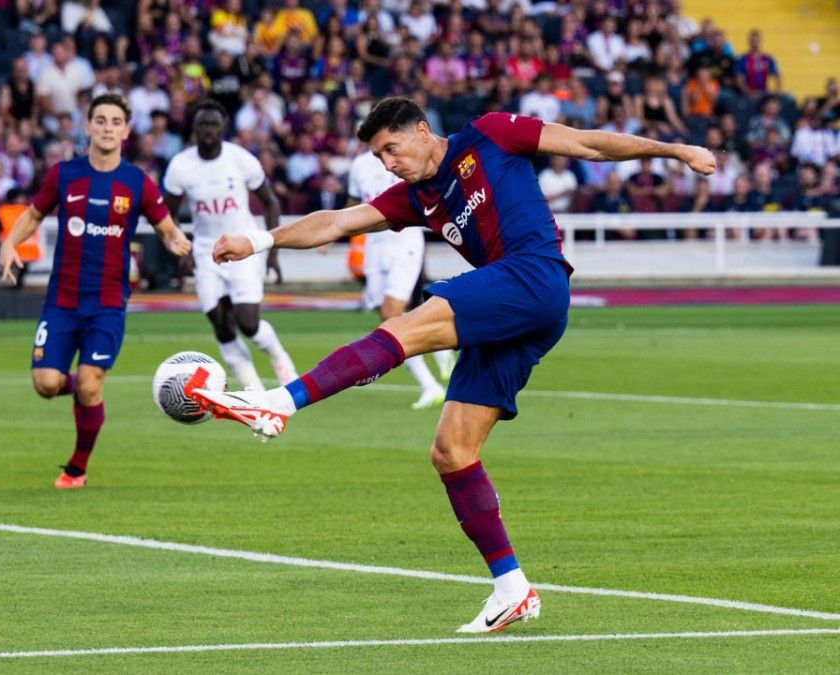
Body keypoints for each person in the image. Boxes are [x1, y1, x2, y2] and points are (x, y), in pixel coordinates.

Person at [186, 97, 715, 633]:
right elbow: (339, 222)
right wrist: (259, 239)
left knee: (406, 326)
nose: (387, 164)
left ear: (421, 130)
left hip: (533, 276)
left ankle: (279, 403)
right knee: (451, 451)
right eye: (378, 157)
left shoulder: (490, 135)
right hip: (513, 311)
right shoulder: (417, 197)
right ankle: (512, 589)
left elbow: (586, 142)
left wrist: (675, 150)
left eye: (391, 149)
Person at [0, 93, 191, 489]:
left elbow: (167, 226)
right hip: (62, 301)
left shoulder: (136, 182)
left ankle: (76, 468)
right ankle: (85, 392)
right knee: (47, 384)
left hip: (107, 303)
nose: (107, 128)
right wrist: (8, 243)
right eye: (100, 120)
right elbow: (33, 215)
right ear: (87, 127)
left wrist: (176, 242)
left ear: (126, 130)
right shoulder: (64, 175)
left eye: (115, 121)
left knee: (89, 383)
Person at [162, 99, 296, 391]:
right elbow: (166, 214)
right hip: (205, 251)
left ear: (224, 127)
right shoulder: (180, 166)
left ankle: (279, 358)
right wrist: (178, 246)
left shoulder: (241, 159)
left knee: (248, 322)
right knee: (221, 325)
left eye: (214, 123)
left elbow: (270, 202)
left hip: (243, 245)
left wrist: (272, 253)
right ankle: (254, 392)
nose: (208, 129)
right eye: (202, 124)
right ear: (194, 129)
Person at [347, 146, 453, 410]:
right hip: (374, 247)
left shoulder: (403, 157)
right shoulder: (358, 166)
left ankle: (430, 382)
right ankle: (438, 353)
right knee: (390, 317)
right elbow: (353, 202)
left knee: (391, 313)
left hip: (403, 241)